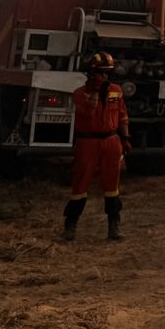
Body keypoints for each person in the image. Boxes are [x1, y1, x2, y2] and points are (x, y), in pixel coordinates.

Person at [65, 51, 130, 242]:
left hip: (111, 141)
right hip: (87, 142)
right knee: (80, 185)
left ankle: (114, 227)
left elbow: (122, 115)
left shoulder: (116, 90)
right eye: (101, 73)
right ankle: (70, 227)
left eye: (107, 73)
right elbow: (86, 114)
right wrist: (95, 92)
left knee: (112, 186)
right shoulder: (79, 94)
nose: (105, 77)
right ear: (91, 73)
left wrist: (126, 138)